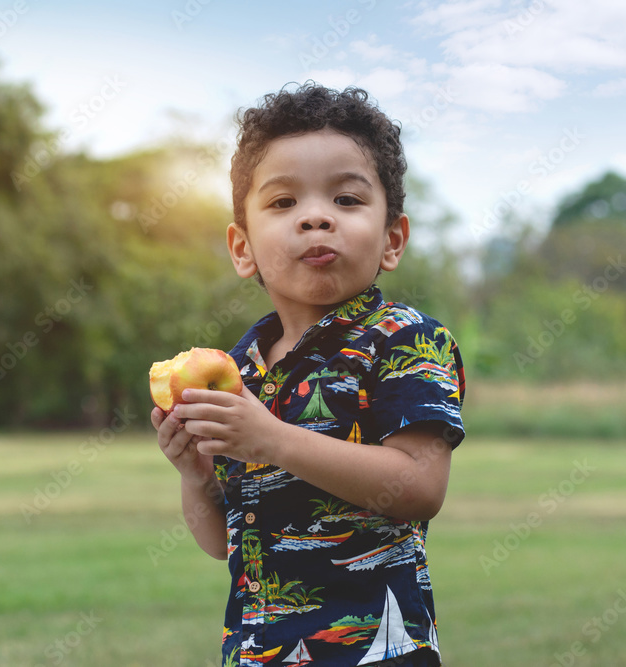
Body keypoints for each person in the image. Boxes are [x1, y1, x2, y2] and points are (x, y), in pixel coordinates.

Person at [151, 82, 465, 667]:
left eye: (347, 200)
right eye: (283, 203)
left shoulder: (402, 337)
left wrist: (269, 438)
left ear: (392, 238)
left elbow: (419, 488)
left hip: (373, 651)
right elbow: (224, 541)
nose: (316, 217)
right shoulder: (237, 370)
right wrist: (195, 478)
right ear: (242, 248)